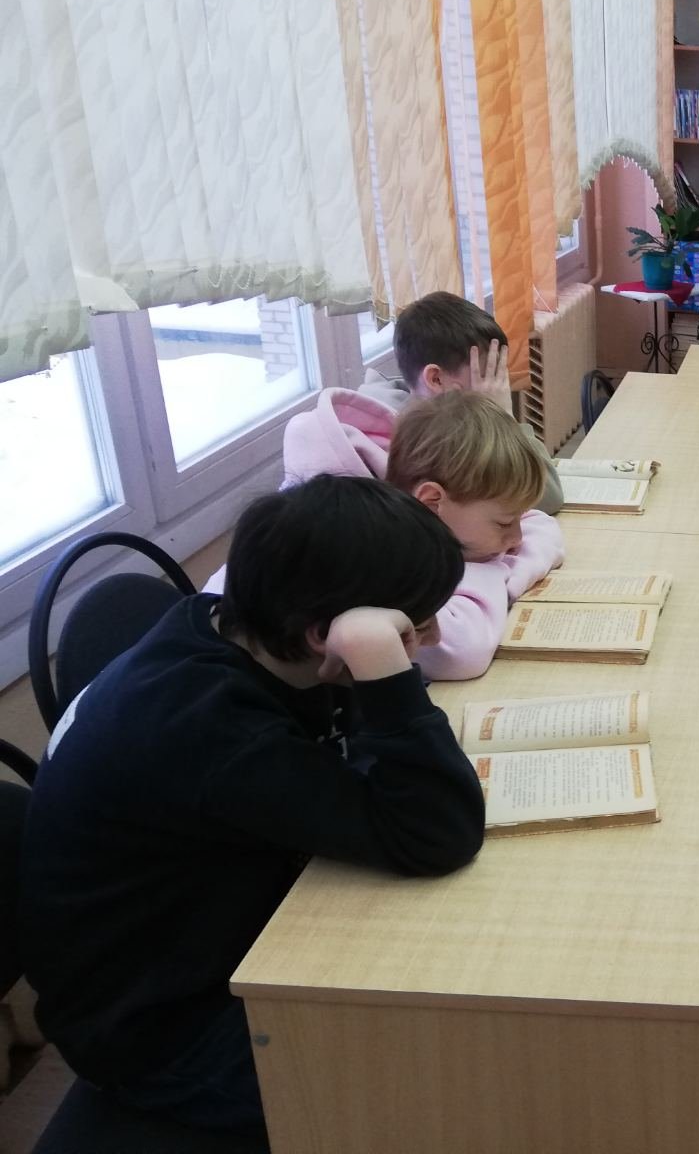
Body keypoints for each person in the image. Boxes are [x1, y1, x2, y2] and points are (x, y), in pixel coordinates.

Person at [19, 475, 486, 1131]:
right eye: (413, 626)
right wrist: (384, 674)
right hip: (162, 1032)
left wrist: (371, 678)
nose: (429, 640)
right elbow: (438, 832)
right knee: (451, 1083)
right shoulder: (215, 732)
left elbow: (363, 771)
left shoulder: (231, 629)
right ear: (328, 634)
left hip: (208, 934)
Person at [378, 391, 560, 677]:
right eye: (503, 523)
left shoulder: (456, 529)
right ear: (433, 502)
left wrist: (508, 571)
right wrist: (494, 571)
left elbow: (544, 525)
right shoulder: (386, 564)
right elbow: (464, 653)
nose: (517, 539)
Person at [362, 291, 563, 515]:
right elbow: (545, 497)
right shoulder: (414, 444)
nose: (498, 387)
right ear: (436, 379)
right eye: (487, 373)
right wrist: (501, 418)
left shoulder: (430, 415)